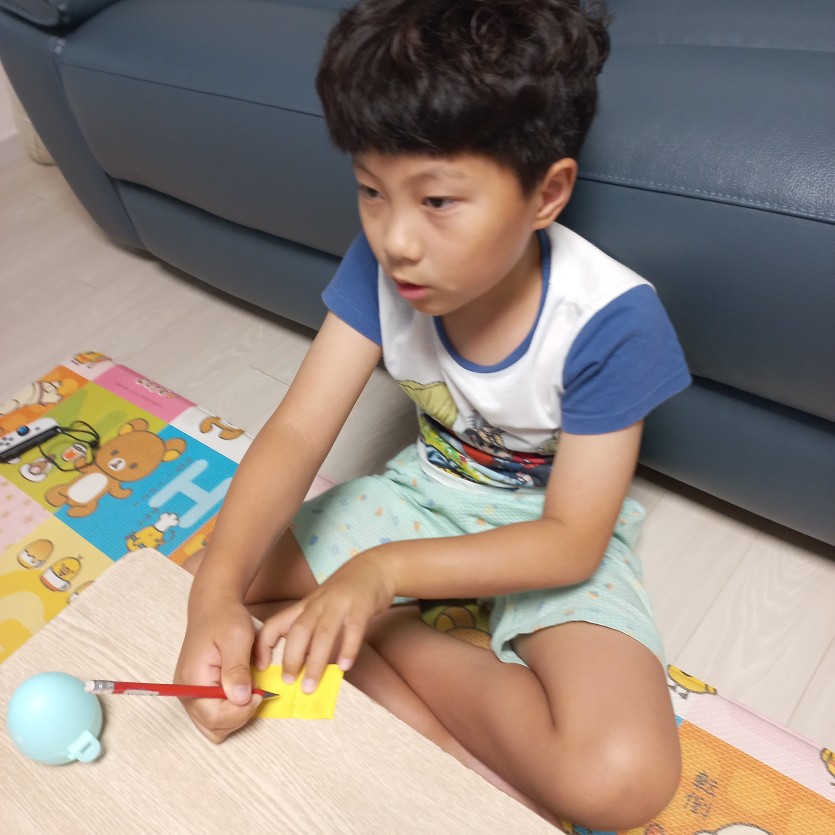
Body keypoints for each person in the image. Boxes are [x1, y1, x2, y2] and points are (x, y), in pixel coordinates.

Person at [174, 0, 690, 828]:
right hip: (424, 495)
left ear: (547, 192)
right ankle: (390, 666)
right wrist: (213, 600)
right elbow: (299, 431)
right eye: (370, 192)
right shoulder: (382, 266)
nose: (396, 240)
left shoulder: (610, 320)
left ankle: (386, 635)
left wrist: (378, 579)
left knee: (620, 778)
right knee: (213, 576)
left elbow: (570, 540)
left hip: (543, 531)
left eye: (438, 201)